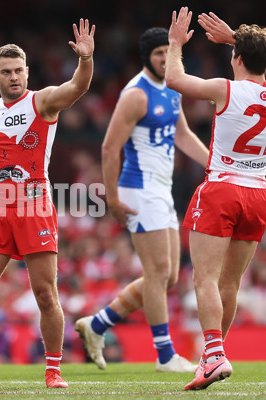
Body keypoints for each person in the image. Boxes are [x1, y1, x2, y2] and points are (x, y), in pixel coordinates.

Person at [0, 19, 95, 389]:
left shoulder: (42, 101)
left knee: (45, 293)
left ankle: (53, 370)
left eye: (19, 70)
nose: (14, 77)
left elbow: (77, 87)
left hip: (33, 204)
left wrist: (86, 60)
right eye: (7, 72)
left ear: (28, 72)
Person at [165, 8, 266, 390]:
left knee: (203, 278)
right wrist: (238, 36)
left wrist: (174, 43)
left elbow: (173, 77)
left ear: (236, 58)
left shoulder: (225, 88)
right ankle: (213, 355)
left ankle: (215, 354)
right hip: (258, 192)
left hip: (222, 187)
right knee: (230, 283)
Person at [74, 26, 209, 372]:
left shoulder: (173, 89)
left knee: (168, 278)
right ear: (147, 58)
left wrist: (215, 164)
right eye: (158, 53)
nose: (165, 59)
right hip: (138, 187)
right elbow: (108, 148)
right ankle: (165, 355)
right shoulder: (136, 94)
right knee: (157, 271)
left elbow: (183, 135)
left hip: (160, 189)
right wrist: (113, 199)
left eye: (169, 52)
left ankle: (98, 324)